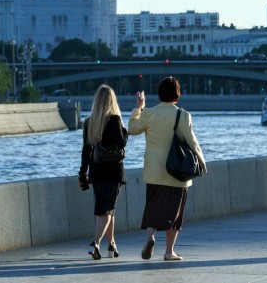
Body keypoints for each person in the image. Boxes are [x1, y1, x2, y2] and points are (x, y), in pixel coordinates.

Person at [128, 76, 207, 261]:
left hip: (154, 172)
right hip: (177, 172)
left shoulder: (148, 113)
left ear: (159, 93)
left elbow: (131, 129)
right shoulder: (183, 115)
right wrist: (202, 162)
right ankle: (169, 251)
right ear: (177, 94)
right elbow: (192, 142)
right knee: (174, 213)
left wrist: (139, 107)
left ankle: (150, 238)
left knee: (153, 208)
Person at [78, 84, 128, 260]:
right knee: (105, 210)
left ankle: (111, 244)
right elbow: (122, 143)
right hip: (113, 171)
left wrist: (82, 175)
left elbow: (86, 151)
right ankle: (96, 243)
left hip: (96, 172)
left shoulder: (89, 122)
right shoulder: (114, 120)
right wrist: (123, 129)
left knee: (107, 208)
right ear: (111, 101)